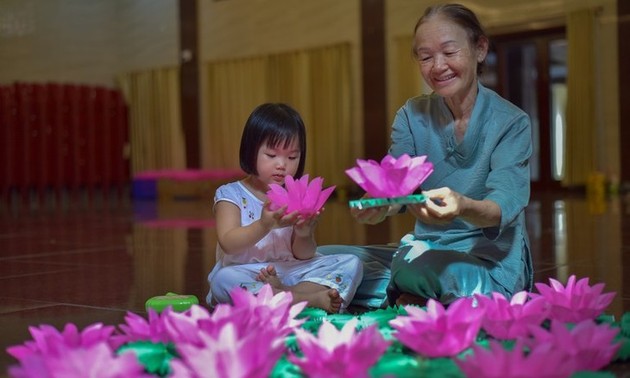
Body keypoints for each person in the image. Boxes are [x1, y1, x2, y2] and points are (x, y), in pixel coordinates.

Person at [318, 3, 533, 308]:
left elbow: (502, 206)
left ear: (480, 48)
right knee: (325, 257)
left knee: (413, 266)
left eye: (449, 52)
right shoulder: (411, 114)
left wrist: (462, 206)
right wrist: (378, 206)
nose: (438, 66)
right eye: (426, 56)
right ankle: (416, 294)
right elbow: (397, 189)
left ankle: (408, 290)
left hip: (487, 262)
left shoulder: (511, 122)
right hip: (426, 249)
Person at [206, 102, 363, 313]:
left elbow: (303, 256)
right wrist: (264, 224)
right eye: (271, 155)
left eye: (292, 157)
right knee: (222, 280)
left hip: (290, 272)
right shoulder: (231, 194)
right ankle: (305, 298)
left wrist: (304, 234)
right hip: (247, 272)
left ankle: (286, 296)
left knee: (352, 263)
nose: (282, 164)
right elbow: (229, 243)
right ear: (251, 150)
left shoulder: (294, 195)